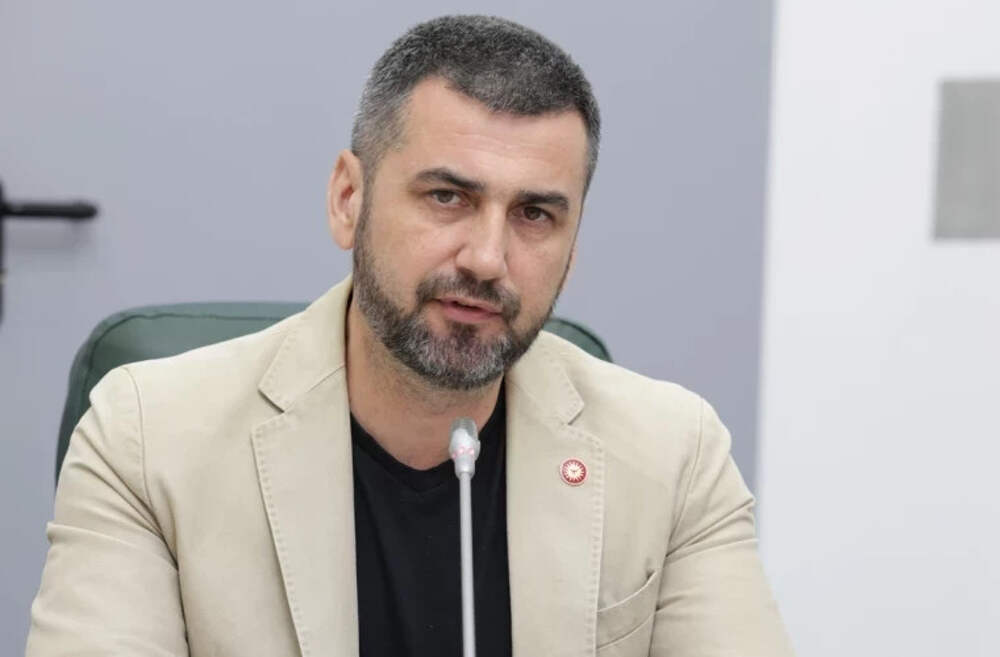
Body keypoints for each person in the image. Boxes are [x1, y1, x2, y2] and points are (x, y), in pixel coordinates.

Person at [26, 15, 793, 657]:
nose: (487, 258)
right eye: (448, 196)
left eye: (535, 214)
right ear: (348, 199)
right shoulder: (147, 440)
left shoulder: (674, 456)